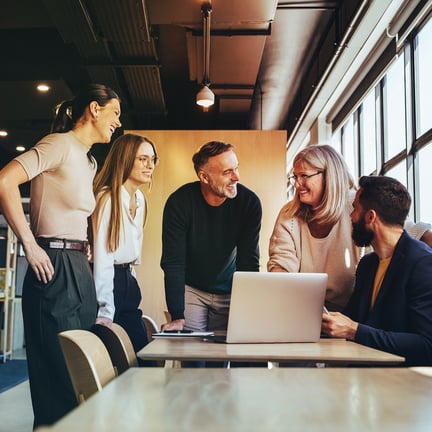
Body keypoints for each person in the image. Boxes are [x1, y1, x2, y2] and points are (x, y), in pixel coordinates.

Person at [0, 83, 121, 428]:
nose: (117, 122)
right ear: (94, 109)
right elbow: (5, 181)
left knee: (82, 378)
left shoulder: (89, 160)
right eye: (114, 112)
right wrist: (29, 244)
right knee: (59, 383)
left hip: (79, 268)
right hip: (53, 264)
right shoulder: (59, 144)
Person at [267, 144, 432, 311]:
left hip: (354, 312)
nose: (297, 184)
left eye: (304, 176)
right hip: (305, 308)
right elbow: (281, 264)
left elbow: (412, 231)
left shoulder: (357, 205)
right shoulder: (290, 214)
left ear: (329, 176)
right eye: (295, 177)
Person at [321, 175, 432, 366]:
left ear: (370, 216)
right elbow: (351, 320)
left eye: (354, 208)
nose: (351, 216)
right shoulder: (367, 265)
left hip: (405, 385)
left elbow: (426, 345)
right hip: (365, 379)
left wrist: (354, 330)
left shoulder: (423, 263)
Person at [160, 141, 262, 334]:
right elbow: (173, 262)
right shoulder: (179, 203)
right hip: (193, 289)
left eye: (236, 168)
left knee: (227, 354)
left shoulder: (249, 203)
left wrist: (249, 309)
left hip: (232, 288)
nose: (236, 177)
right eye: (227, 172)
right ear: (204, 177)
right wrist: (177, 315)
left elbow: (248, 261)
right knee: (194, 357)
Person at [91, 133, 158, 364]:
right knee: (115, 361)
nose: (150, 166)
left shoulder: (139, 199)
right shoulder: (108, 198)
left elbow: (132, 253)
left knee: (141, 356)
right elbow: (103, 258)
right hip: (109, 283)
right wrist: (105, 309)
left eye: (152, 159)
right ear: (126, 159)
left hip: (127, 280)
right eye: (142, 159)